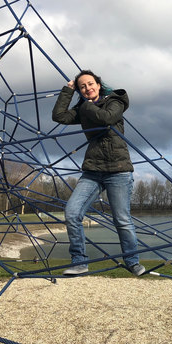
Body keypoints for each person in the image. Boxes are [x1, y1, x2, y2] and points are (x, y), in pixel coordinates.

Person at [51, 70, 145, 276]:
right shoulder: (85, 107)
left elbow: (106, 118)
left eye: (90, 84)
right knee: (72, 213)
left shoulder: (115, 100)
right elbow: (58, 116)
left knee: (122, 219)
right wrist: (67, 90)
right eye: (82, 86)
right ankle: (79, 262)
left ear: (99, 84)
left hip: (118, 170)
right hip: (93, 169)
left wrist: (85, 106)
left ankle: (132, 261)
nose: (87, 88)